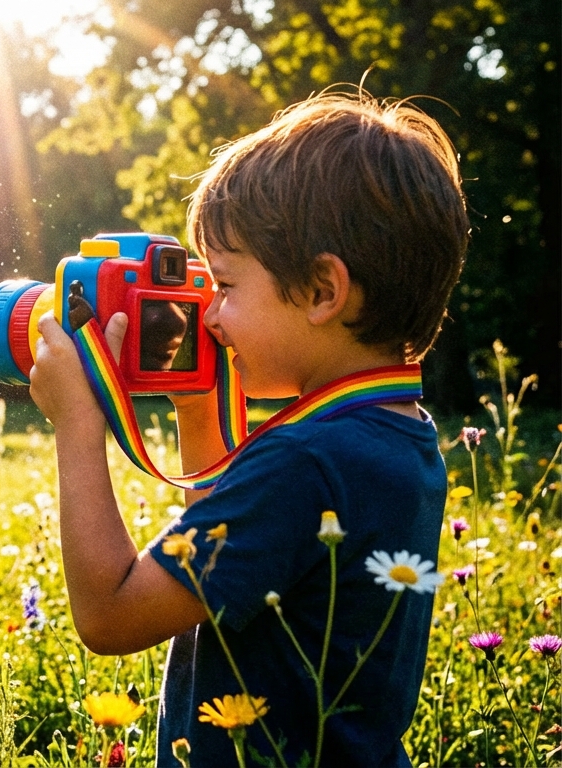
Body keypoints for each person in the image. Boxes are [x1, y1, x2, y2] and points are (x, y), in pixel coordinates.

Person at [29, 92, 467, 766]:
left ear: (322, 291)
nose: (209, 316)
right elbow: (236, 558)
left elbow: (111, 615)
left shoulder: (305, 459)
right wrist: (199, 407)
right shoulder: (395, 436)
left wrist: (79, 425)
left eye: (226, 287)